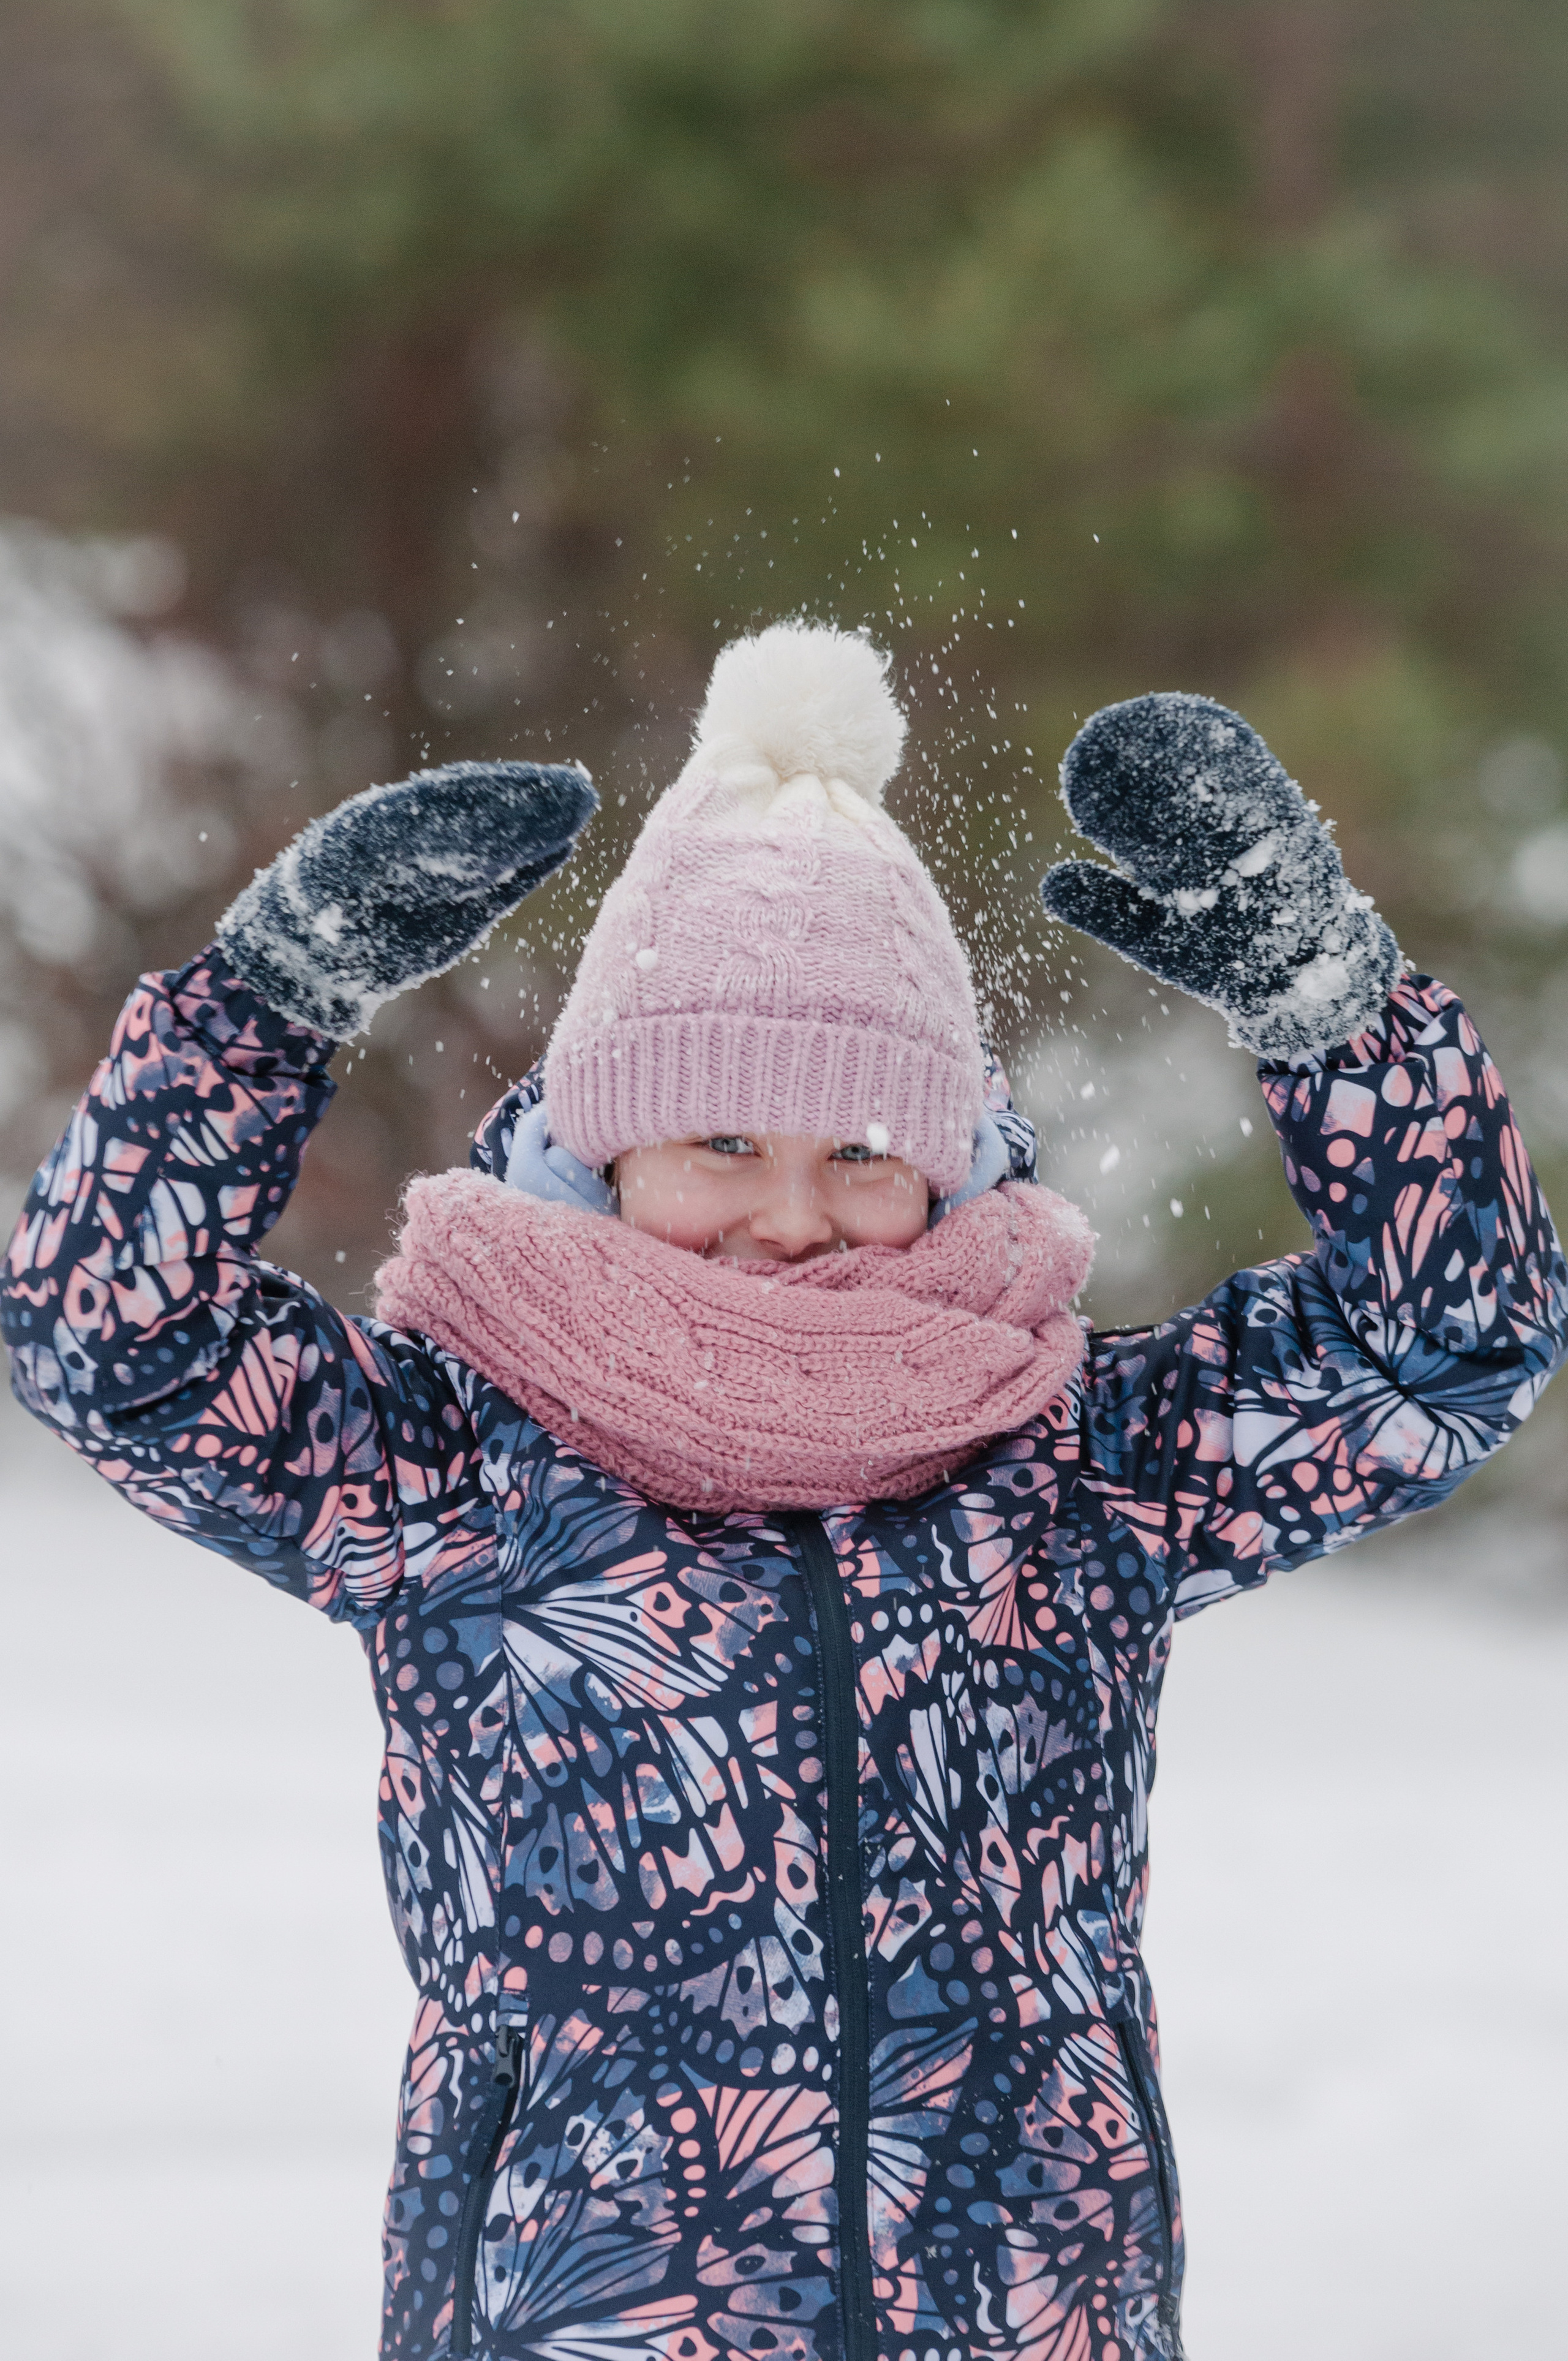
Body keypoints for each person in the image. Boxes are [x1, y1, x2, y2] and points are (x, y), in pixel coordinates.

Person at [4, 622, 1562, 2361]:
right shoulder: (461, 1460)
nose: (795, 1217)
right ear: (610, 1152)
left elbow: (1449, 1346)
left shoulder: (1071, 1466)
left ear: (949, 1164)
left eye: (864, 1157)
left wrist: (1327, 1002)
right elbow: (108, 1345)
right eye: (723, 1148)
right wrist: (266, 1004)